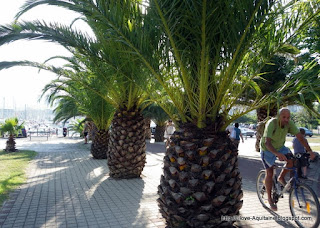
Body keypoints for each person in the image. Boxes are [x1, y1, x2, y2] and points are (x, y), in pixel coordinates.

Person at [260, 108, 316, 211]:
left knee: (292, 160)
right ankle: (269, 199)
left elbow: (300, 137)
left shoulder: (289, 123)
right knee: (270, 172)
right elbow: (267, 143)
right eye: (284, 117)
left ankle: (281, 177)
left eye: (288, 117)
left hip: (280, 147)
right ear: (278, 116)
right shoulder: (272, 123)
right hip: (267, 149)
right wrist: (277, 154)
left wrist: (310, 151)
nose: (286, 119)